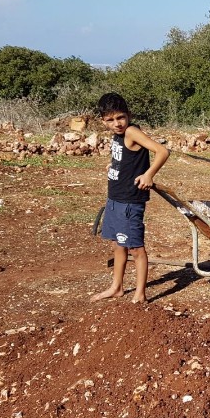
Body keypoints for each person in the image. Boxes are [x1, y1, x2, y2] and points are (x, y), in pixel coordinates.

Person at [91, 92, 169, 304]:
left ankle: (140, 294)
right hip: (115, 198)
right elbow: (129, 156)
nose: (117, 123)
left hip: (129, 201)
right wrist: (114, 165)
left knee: (135, 248)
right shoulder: (119, 134)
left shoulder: (132, 131)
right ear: (103, 120)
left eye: (120, 117)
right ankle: (117, 287)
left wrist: (149, 174)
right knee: (118, 244)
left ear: (129, 115)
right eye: (110, 120)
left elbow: (162, 151)